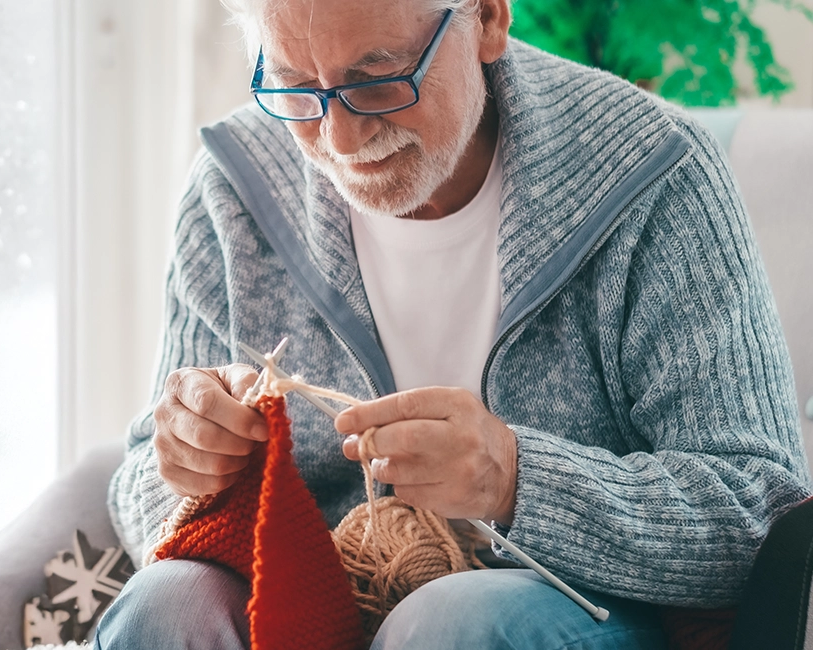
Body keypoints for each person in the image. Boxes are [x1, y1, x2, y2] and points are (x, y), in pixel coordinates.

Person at [95, 0, 813, 647]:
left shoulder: (656, 177)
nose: (340, 139)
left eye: (378, 80)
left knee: (451, 625)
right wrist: (190, 468)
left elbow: (760, 514)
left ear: (489, 20)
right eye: (295, 88)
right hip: (304, 601)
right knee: (166, 605)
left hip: (570, 610)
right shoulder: (234, 187)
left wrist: (519, 480)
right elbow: (138, 491)